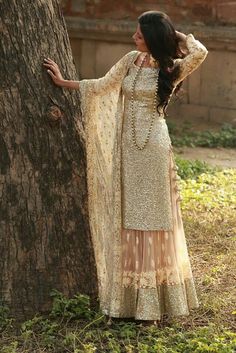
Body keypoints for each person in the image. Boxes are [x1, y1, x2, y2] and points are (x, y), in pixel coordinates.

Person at [44, 11, 208, 325]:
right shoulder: (131, 60)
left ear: (153, 38)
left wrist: (177, 37)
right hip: (128, 151)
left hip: (155, 150)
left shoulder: (171, 68)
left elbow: (200, 53)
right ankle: (129, 301)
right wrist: (63, 81)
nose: (134, 37)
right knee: (130, 219)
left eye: (140, 33)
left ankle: (152, 306)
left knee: (153, 219)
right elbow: (103, 85)